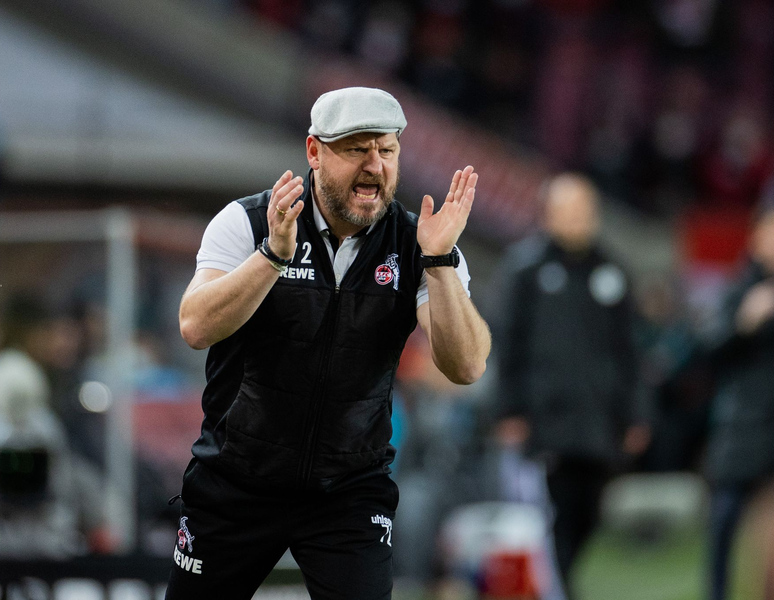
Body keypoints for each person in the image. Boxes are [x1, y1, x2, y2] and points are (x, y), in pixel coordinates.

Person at [167, 86, 491, 600]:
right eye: (356, 149)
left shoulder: (419, 242)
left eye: (386, 150)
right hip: (236, 481)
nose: (374, 167)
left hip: (349, 490)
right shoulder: (249, 222)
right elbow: (195, 327)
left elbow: (467, 366)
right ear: (314, 151)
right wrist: (272, 257)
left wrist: (439, 263)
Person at [489, 173, 648, 596]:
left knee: (589, 514)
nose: (577, 220)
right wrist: (508, 410)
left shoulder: (613, 271)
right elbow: (506, 345)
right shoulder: (525, 270)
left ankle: (564, 583)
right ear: (547, 216)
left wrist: (636, 413)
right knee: (549, 517)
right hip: (545, 422)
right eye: (568, 211)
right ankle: (559, 590)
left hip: (599, 423)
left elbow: (633, 350)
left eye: (584, 211)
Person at [702, 199, 774, 600]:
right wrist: (743, 323)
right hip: (744, 426)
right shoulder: (740, 289)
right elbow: (709, 351)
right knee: (726, 519)